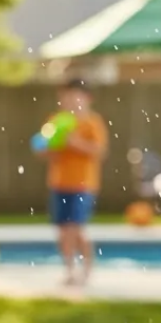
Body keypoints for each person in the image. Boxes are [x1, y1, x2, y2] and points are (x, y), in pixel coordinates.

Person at [37, 77, 108, 285]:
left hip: (83, 184)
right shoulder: (56, 121)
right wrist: (51, 147)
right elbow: (43, 150)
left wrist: (74, 142)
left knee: (75, 228)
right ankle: (69, 269)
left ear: (87, 98)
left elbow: (99, 151)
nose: (68, 102)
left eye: (73, 97)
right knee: (62, 229)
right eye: (64, 98)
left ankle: (86, 268)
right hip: (59, 183)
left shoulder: (92, 122)